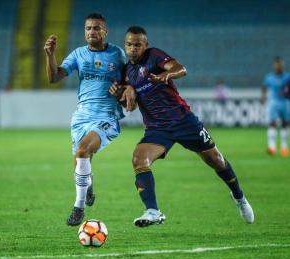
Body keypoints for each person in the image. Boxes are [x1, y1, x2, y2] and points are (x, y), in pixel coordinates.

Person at [109, 26, 254, 227]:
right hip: (157, 128)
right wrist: (120, 95)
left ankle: (239, 197)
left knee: (217, 160)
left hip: (183, 120)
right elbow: (129, 106)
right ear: (125, 45)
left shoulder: (154, 56)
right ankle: (152, 211)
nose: (133, 48)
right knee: (139, 159)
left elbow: (181, 69)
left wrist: (165, 76)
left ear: (145, 45)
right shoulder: (126, 72)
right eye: (129, 44)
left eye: (137, 44)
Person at [44, 13, 127, 226]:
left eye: (97, 28)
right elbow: (54, 77)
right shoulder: (78, 54)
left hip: (106, 116)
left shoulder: (118, 55)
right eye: (88, 28)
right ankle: (88, 184)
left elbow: (130, 83)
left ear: (105, 31)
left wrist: (122, 91)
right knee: (80, 164)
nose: (92, 32)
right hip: (81, 117)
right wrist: (50, 55)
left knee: (82, 151)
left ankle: (78, 208)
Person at [261, 57, 290, 157]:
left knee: (285, 124)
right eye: (277, 64)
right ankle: (272, 147)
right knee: (272, 123)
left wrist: (286, 92)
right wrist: (263, 97)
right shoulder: (269, 77)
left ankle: (284, 148)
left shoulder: (287, 77)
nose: (278, 66)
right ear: (274, 66)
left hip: (285, 102)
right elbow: (264, 87)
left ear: (282, 65)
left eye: (280, 64)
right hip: (274, 102)